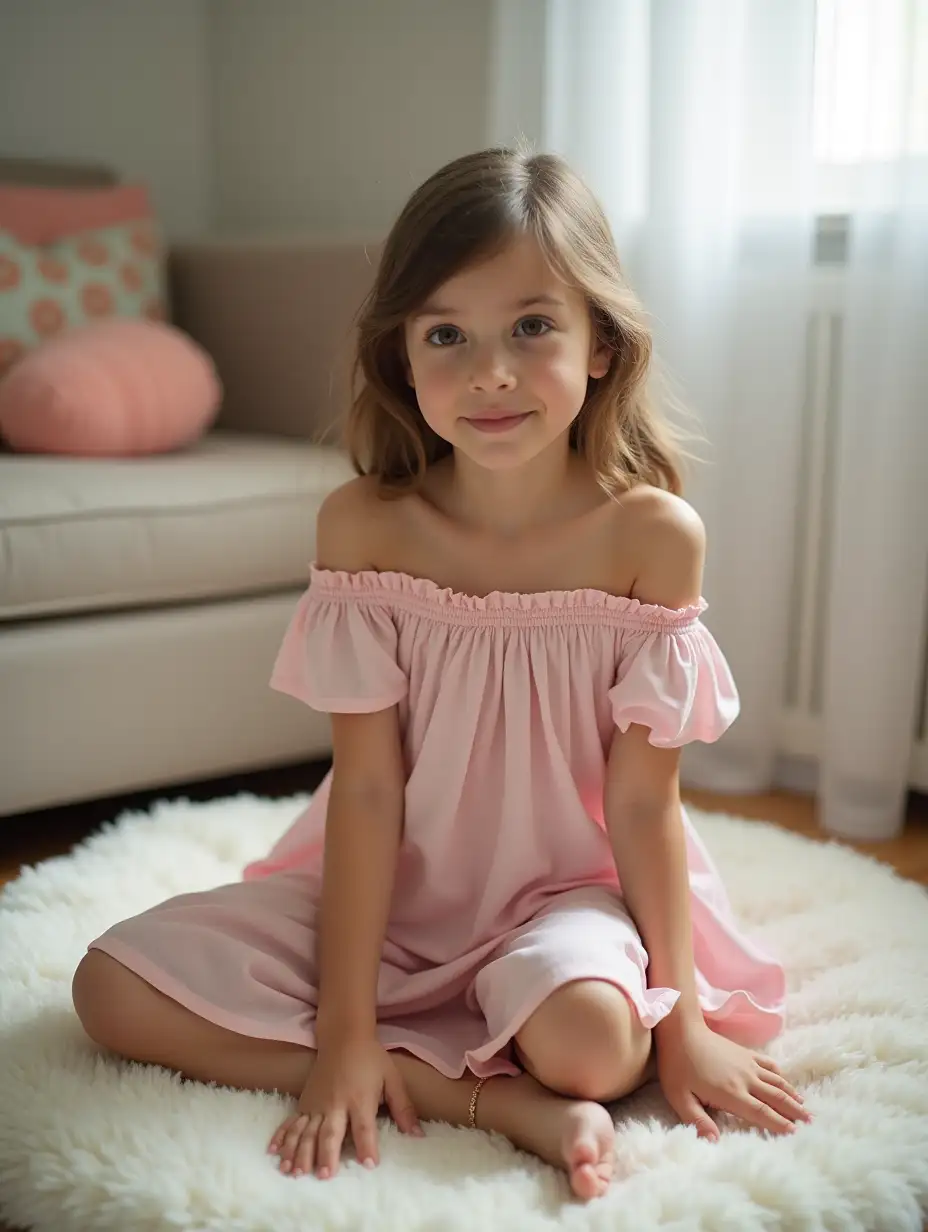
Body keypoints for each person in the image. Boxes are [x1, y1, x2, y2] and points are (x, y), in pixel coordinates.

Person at [72, 147, 809, 1203]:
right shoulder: (365, 526)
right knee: (108, 985)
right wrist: (343, 1033)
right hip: (394, 887)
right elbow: (367, 789)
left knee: (599, 1048)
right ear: (402, 358)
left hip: (567, 892)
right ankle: (472, 1095)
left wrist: (681, 1022)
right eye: (445, 334)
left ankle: (511, 1045)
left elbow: (645, 805)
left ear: (600, 342)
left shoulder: (650, 536)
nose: (490, 371)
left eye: (531, 326)